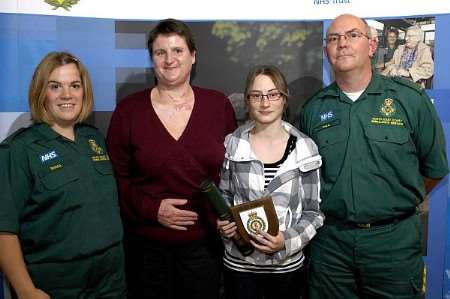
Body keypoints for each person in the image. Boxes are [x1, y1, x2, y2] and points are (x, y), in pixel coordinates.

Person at [301, 14, 448, 299]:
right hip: (331, 246)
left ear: (371, 45)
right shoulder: (314, 110)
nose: (342, 44)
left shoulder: (409, 100)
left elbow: (435, 168)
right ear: (326, 51)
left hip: (393, 244)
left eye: (352, 35)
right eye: (334, 38)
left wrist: (394, 202)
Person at [106, 19, 237, 299]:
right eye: (160, 52)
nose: (169, 60)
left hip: (205, 247)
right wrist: (152, 209)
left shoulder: (218, 105)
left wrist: (228, 216)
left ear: (193, 56)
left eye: (177, 50)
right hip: (147, 250)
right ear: (151, 58)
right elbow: (116, 179)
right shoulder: (129, 111)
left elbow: (232, 173)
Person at [0, 51, 126, 299]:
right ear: (41, 93)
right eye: (55, 86)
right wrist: (26, 290)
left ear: (84, 92)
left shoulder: (94, 138)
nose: (67, 94)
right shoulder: (18, 150)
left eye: (74, 86)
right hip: (56, 285)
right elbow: (4, 230)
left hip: (111, 281)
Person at [217, 65, 324, 299]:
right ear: (248, 100)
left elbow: (313, 213)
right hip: (240, 265)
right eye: (257, 95)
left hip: (285, 267)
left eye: (273, 94)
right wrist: (224, 224)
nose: (265, 103)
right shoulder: (233, 143)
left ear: (284, 99)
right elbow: (224, 198)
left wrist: (285, 241)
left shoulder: (305, 148)